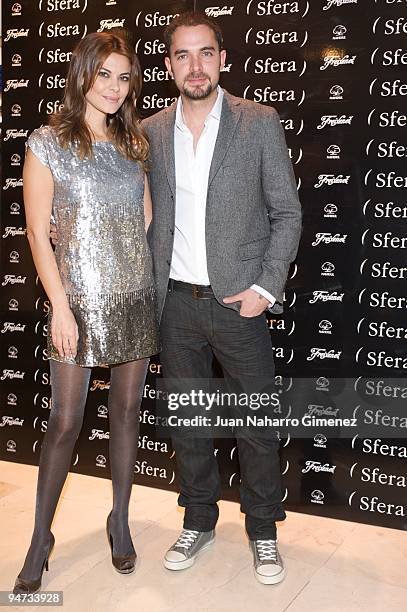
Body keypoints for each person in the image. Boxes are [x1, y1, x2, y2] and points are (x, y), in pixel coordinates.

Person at [143, 12, 302, 585]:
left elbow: (287, 213)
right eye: (182, 55)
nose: (195, 66)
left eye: (205, 53)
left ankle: (263, 531)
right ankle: (199, 520)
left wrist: (264, 288)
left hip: (239, 303)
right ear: (169, 65)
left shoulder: (258, 121)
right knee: (189, 424)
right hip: (176, 306)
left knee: (257, 424)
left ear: (223, 59)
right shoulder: (150, 131)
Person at [13, 31, 160, 594]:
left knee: (125, 415)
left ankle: (119, 521)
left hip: (132, 298)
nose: (115, 87)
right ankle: (38, 539)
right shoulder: (48, 142)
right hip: (77, 303)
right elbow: (35, 231)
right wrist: (62, 307)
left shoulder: (133, 145)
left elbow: (144, 219)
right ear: (84, 76)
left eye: (124, 78)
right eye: (105, 75)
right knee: (64, 423)